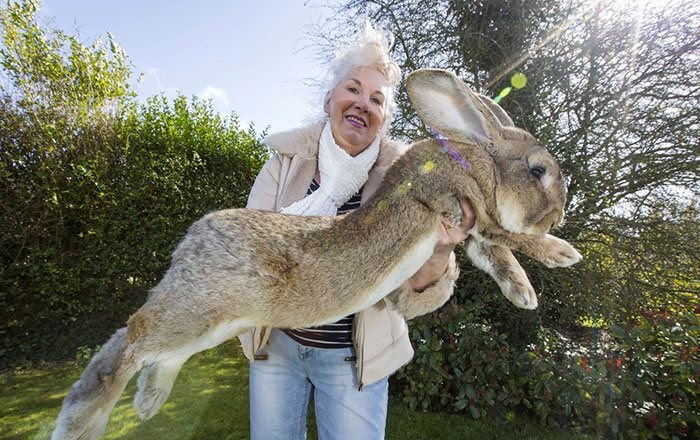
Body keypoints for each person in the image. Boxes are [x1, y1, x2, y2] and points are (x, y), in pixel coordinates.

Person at [238, 22, 475, 440]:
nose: (362, 104)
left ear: (383, 119)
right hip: (277, 349)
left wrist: (439, 250)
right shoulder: (283, 164)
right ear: (330, 99)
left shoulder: (403, 184)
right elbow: (246, 252)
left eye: (377, 99)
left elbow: (410, 293)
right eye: (353, 89)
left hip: (353, 360)